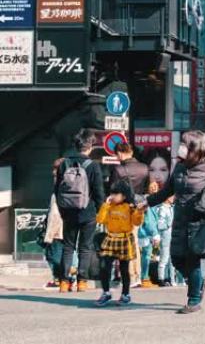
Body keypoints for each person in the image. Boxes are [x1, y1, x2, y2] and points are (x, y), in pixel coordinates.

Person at [145, 131, 205, 314]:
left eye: (185, 145)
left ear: (195, 148)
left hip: (199, 221)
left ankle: (193, 300)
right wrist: (147, 202)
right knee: (176, 259)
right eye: (181, 144)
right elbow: (167, 191)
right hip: (179, 219)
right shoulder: (179, 166)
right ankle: (198, 282)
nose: (181, 148)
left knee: (192, 260)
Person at [55, 129, 105, 293]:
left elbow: (57, 190)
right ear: (90, 145)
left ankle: (63, 281)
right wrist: (100, 211)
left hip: (68, 211)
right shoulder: (93, 166)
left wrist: (62, 209)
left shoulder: (64, 163)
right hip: (87, 212)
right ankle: (81, 282)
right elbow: (99, 192)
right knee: (85, 247)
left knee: (68, 247)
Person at [95, 181, 144, 307]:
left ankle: (125, 294)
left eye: (116, 194)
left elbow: (137, 223)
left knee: (124, 268)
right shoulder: (109, 206)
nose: (113, 196)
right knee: (104, 266)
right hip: (111, 238)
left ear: (124, 195)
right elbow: (100, 219)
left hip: (125, 238)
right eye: (112, 193)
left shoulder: (130, 207)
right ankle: (106, 292)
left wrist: (139, 212)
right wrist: (105, 205)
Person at [43, 158, 66, 288]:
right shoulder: (73, 184)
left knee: (53, 255)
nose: (53, 172)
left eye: (55, 169)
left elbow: (54, 213)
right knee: (65, 253)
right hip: (68, 227)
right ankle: (64, 277)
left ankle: (60, 278)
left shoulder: (58, 188)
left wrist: (49, 234)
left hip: (58, 228)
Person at [139, 182, 161, 288]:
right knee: (146, 256)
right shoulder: (148, 201)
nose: (154, 189)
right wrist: (155, 233)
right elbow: (149, 220)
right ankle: (145, 278)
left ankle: (145, 277)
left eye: (156, 187)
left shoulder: (157, 201)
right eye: (152, 186)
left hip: (150, 231)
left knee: (147, 256)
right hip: (146, 233)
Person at [156, 194, 176, 287]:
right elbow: (160, 225)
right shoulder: (162, 209)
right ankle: (161, 278)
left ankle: (172, 279)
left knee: (172, 259)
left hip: (173, 235)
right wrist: (168, 224)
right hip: (165, 236)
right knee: (164, 257)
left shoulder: (172, 208)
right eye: (171, 196)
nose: (173, 198)